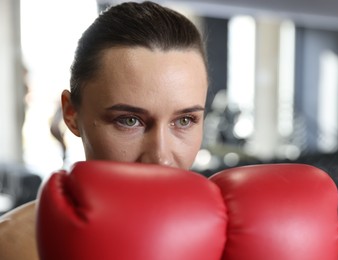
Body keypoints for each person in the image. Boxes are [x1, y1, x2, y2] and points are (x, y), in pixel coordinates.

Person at [0, 1, 208, 259]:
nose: (161, 158)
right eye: (129, 120)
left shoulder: (234, 237)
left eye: (185, 120)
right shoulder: (13, 247)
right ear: (71, 115)